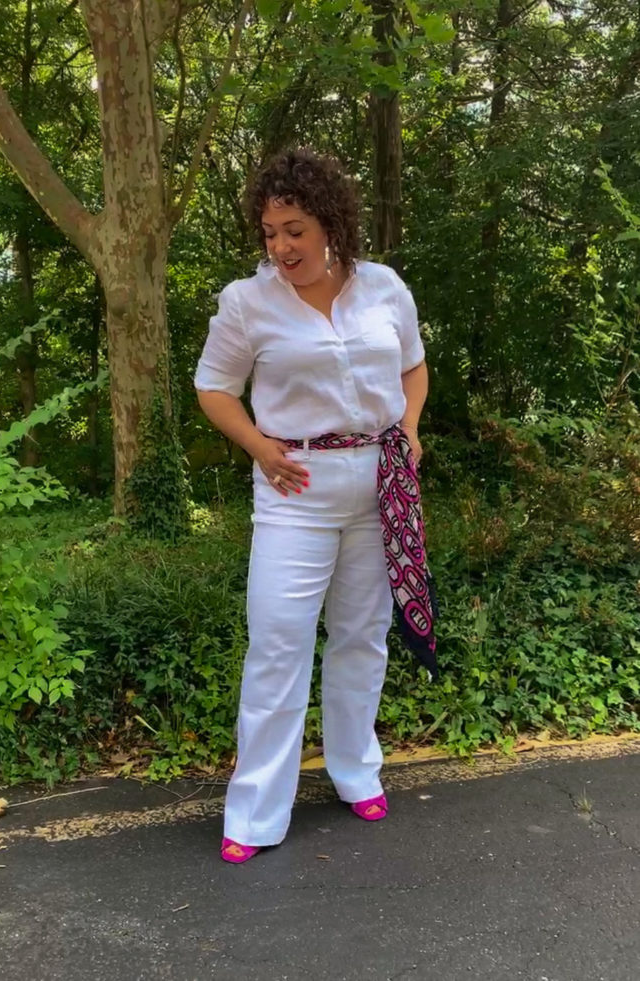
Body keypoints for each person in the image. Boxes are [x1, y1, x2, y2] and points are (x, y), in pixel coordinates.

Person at [194, 148, 436, 865]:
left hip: (377, 486)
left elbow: (414, 365)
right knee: (277, 640)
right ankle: (256, 810)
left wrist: (411, 427)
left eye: (294, 228)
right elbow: (213, 387)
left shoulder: (384, 287)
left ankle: (355, 767)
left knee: (363, 635)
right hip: (294, 490)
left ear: (331, 222)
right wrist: (259, 447)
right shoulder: (248, 302)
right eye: (270, 232)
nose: (281, 246)